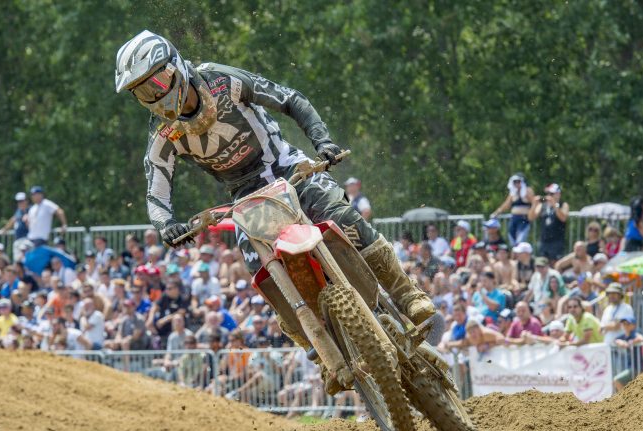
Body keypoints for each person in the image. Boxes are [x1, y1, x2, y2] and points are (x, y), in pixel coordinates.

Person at [114, 30, 433, 339]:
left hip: (285, 166)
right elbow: (156, 191)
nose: (154, 95)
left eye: (157, 83)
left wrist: (322, 141)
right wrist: (166, 225)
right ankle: (315, 345)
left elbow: (289, 98)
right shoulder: (163, 134)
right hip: (244, 196)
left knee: (341, 215)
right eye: (143, 92)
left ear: (175, 66)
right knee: (261, 273)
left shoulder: (223, 80)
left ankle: (407, 295)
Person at [491, 173, 534, 245]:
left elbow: (534, 203)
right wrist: (496, 213)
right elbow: (506, 205)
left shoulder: (527, 191)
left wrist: (532, 215)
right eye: (515, 182)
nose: (516, 184)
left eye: (518, 181)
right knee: (512, 239)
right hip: (514, 218)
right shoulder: (513, 193)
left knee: (520, 240)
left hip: (524, 219)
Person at [529, 183, 569, 261]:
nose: (549, 196)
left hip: (557, 241)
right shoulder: (542, 205)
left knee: (555, 263)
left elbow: (563, 218)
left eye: (551, 194)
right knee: (542, 263)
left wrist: (554, 205)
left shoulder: (563, 205)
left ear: (558, 194)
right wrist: (534, 204)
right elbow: (531, 217)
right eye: (548, 193)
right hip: (544, 241)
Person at [0, 192, 30, 262]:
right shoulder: (18, 211)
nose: (20, 203)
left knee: (24, 261)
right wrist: (5, 229)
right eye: (18, 201)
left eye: (22, 201)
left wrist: (28, 221)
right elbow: (13, 219)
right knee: (17, 261)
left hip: (26, 239)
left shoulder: (31, 210)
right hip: (18, 240)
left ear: (26, 201)